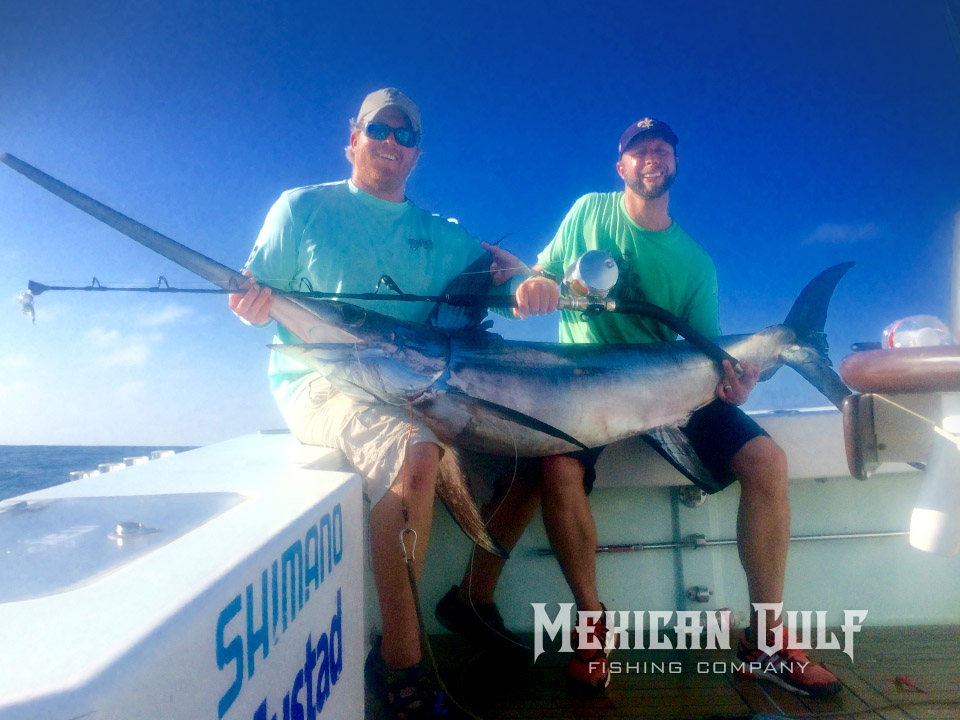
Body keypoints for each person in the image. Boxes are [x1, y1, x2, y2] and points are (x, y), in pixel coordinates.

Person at [439, 118, 843, 699]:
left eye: (662, 148)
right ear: (621, 167)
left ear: (674, 165)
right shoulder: (587, 212)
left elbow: (707, 357)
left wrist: (734, 383)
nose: (651, 156)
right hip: (582, 387)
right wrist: (528, 285)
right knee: (556, 467)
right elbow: (539, 277)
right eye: (639, 149)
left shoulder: (695, 262)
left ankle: (767, 639)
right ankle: (592, 624)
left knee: (767, 462)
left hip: (668, 392)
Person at [229, 88, 525, 719]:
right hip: (319, 378)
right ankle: (401, 666)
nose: (392, 143)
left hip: (418, 383)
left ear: (416, 155)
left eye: (407, 137)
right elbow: (255, 295)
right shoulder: (300, 209)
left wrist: (532, 279)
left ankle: (472, 596)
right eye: (380, 130)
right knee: (417, 451)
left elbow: (505, 273)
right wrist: (250, 305)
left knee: (534, 455)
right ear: (354, 136)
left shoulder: (442, 235)